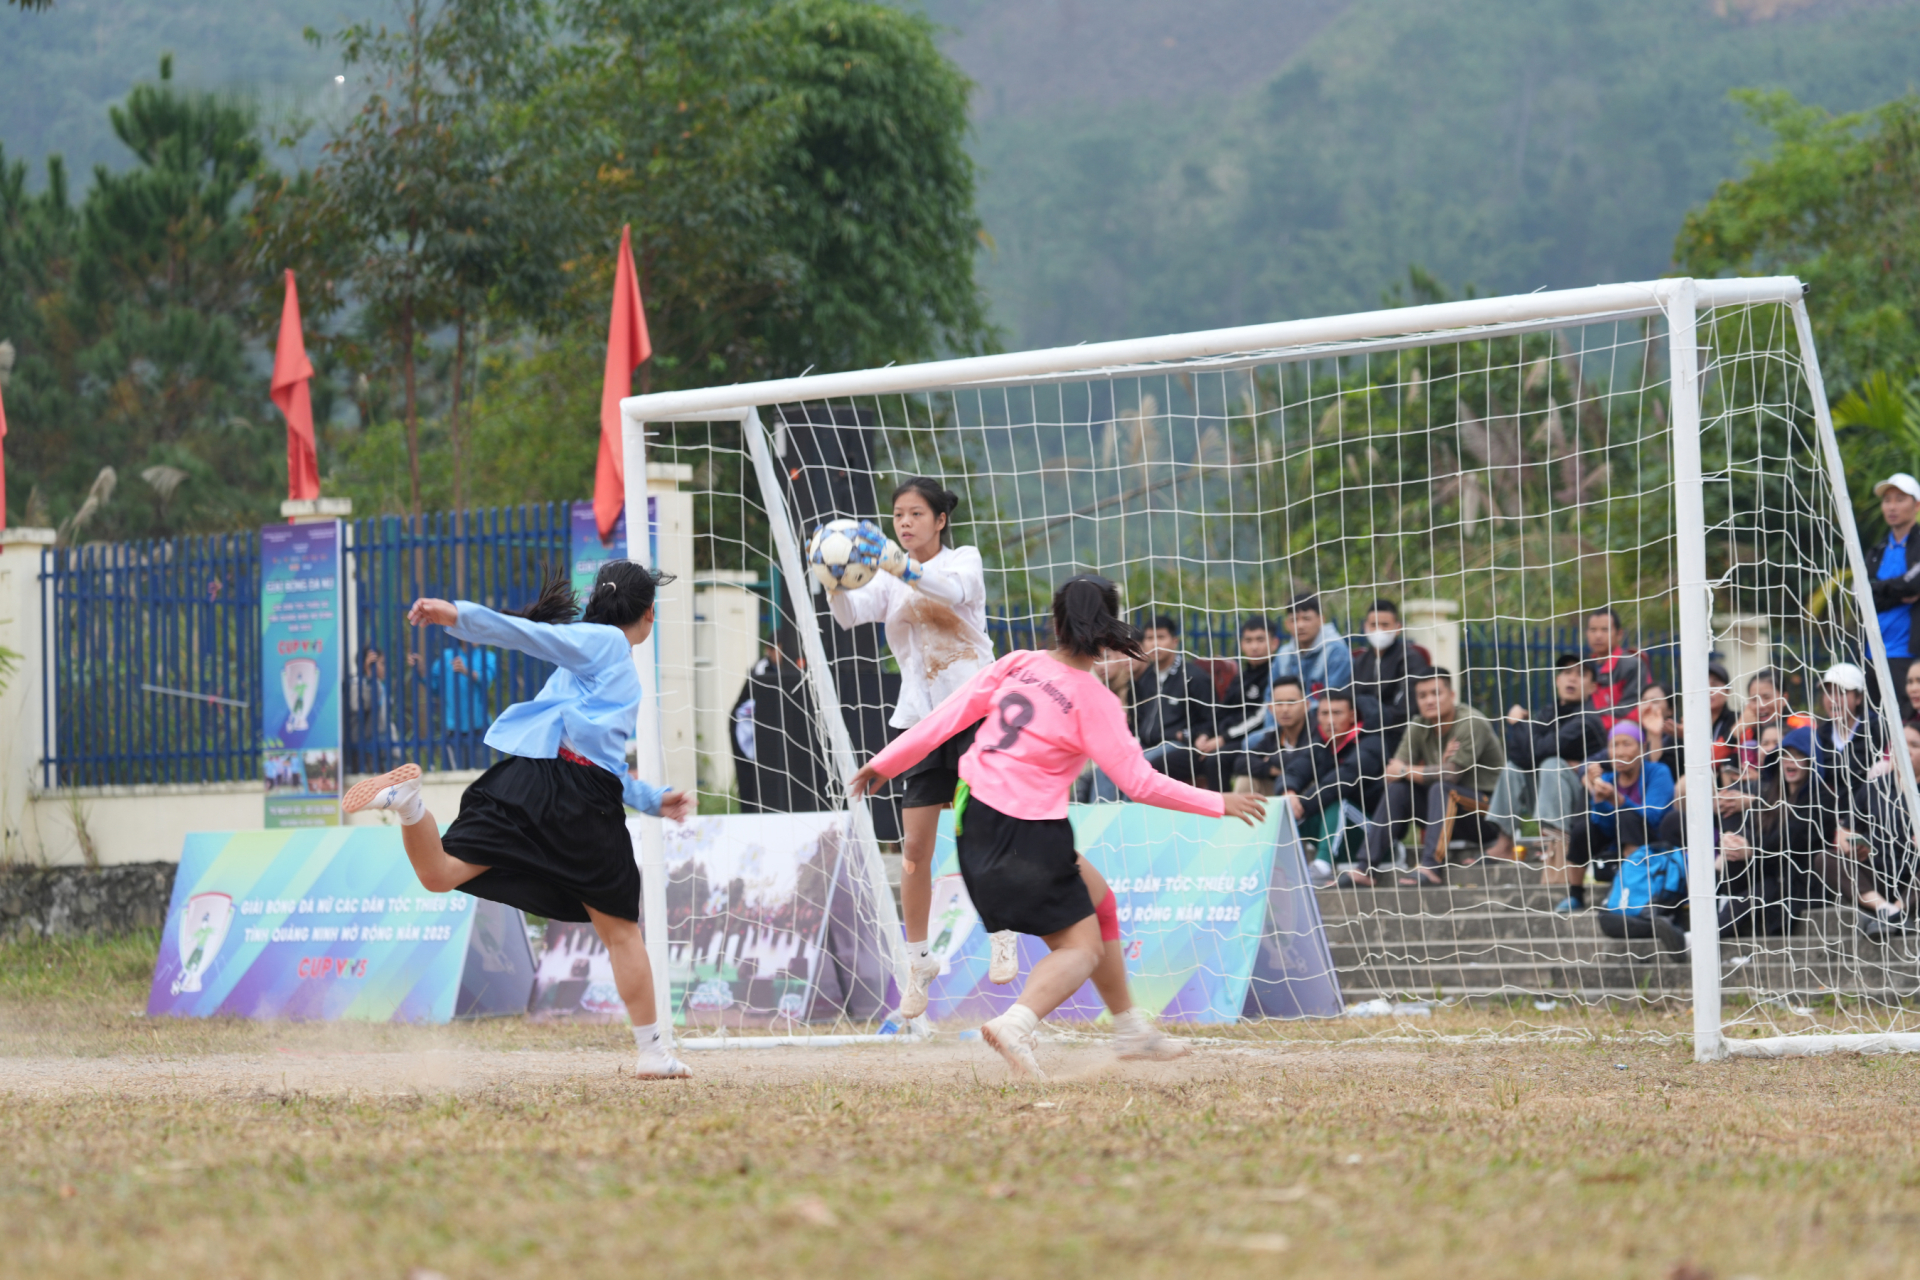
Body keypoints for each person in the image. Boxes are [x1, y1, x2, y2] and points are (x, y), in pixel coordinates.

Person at [850, 575, 1267, 1078]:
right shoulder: (1094, 701)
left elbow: (947, 717)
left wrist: (886, 762)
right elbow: (1140, 783)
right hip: (1029, 833)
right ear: (1108, 629)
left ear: (1055, 622)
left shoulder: (1017, 663)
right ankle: (1015, 1024)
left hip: (974, 819)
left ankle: (1131, 1027)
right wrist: (1218, 801)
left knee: (1101, 899)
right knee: (1080, 949)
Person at [343, 562, 696, 1079]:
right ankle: (652, 1053)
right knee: (622, 932)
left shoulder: (584, 661)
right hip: (578, 800)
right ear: (648, 614)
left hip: (528, 781)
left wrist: (650, 798)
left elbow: (603, 758)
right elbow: (525, 634)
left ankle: (408, 802)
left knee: (438, 874)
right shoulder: (609, 646)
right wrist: (455, 615)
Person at [823, 477, 1004, 1016]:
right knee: (914, 853)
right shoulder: (888, 579)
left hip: (975, 715)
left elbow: (948, 594)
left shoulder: (963, 561)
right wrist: (832, 578)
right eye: (898, 515)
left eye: (916, 513)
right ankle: (919, 960)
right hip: (921, 725)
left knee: (983, 835)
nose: (904, 522)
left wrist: (896, 563)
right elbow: (849, 615)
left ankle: (1003, 931)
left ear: (939, 519)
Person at [1343, 670, 1509, 887]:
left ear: (1452, 694)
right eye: (1422, 696)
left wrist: (1409, 770)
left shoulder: (1470, 722)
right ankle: (1365, 868)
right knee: (1399, 791)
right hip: (1446, 811)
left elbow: (1450, 774)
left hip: (1488, 815)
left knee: (1442, 788)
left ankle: (1431, 867)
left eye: (1435, 693)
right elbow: (1390, 776)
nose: (1429, 700)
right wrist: (1430, 768)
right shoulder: (1418, 726)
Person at [1549, 722, 1673, 914]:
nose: (1620, 752)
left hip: (1650, 840)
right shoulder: (1607, 779)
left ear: (1643, 748)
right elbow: (1603, 825)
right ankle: (1575, 894)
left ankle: (1629, 888)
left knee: (1626, 816)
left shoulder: (1658, 772)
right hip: (1616, 841)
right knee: (1583, 829)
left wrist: (1619, 800)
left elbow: (1653, 817)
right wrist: (1599, 800)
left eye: (1627, 744)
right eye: (1614, 745)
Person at [1494, 654, 1605, 862]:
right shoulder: (1549, 713)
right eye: (1566, 672)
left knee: (1551, 764)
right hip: (1549, 797)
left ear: (1592, 687)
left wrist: (1518, 724)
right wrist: (1528, 738)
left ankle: (1557, 843)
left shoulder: (1588, 719)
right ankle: (1504, 843)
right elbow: (1520, 755)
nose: (1572, 678)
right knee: (1512, 768)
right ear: (1557, 680)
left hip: (1584, 807)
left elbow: (1537, 751)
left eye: (1581, 674)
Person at [730, 624, 830, 815]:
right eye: (780, 651)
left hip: (774, 732)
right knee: (751, 777)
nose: (784, 656)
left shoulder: (795, 669)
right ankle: (750, 812)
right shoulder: (761, 670)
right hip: (747, 731)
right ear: (769, 650)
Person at [1301, 688, 1383, 881]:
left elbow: (1345, 779)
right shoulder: (1320, 745)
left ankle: (1322, 865)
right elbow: (1297, 769)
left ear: (1353, 716)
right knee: (1289, 809)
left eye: (1337, 713)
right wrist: (1288, 791)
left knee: (1338, 803)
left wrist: (1304, 804)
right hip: (1339, 838)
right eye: (1324, 713)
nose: (1330, 720)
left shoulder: (1371, 743)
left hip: (1375, 836)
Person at [1130, 615, 1220, 787]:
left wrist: (1186, 734)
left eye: (1161, 637)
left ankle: (1127, 813)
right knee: (1106, 770)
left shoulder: (1194, 677)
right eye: (1149, 638)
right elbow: (1138, 719)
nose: (1155, 644)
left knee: (1137, 768)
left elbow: (1213, 721)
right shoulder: (1145, 678)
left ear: (1175, 641)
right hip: (1146, 745)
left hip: (1180, 746)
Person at [1348, 598, 1432, 754]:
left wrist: (1370, 714)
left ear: (1397, 627)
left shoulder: (1410, 659)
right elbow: (1350, 699)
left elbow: (1408, 707)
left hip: (1397, 734)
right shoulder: (1360, 662)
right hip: (1360, 731)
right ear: (1365, 627)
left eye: (1385, 625)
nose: (1379, 630)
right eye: (1373, 625)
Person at [1194, 616, 1278, 762]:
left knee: (1215, 760)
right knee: (1186, 756)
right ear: (1242, 644)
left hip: (1251, 737)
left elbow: (1261, 716)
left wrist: (1223, 738)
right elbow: (1222, 710)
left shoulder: (1275, 673)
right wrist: (1205, 734)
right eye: (1248, 640)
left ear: (1274, 643)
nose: (1254, 647)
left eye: (1260, 640)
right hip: (1225, 735)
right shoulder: (1241, 676)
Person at [1867, 472, 1920, 700]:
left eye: (1900, 499)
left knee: (1908, 728)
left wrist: (1879, 590)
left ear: (1917, 505)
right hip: (1872, 655)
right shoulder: (1876, 551)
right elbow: (1860, 596)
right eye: (1887, 500)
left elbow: (1914, 583)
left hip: (1909, 656)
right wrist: (1899, 593)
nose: (1892, 506)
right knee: (1877, 729)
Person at [1813, 662, 1888, 819]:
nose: (1833, 699)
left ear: (1859, 697)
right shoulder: (1819, 735)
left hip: (1872, 818)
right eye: (1828, 692)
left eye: (1841, 692)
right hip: (1829, 820)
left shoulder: (1878, 730)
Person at [410, 637, 498, 770]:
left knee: (482, 775)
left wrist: (465, 671)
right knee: (458, 774)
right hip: (454, 730)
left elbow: (487, 679)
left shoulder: (488, 657)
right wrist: (420, 669)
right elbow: (433, 686)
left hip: (480, 728)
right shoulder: (447, 657)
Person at [1269, 593, 1353, 702]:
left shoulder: (1336, 653)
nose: (1300, 625)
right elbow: (1270, 698)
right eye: (1294, 620)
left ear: (1321, 620)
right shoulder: (1283, 654)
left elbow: (1333, 702)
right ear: (1287, 624)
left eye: (1306, 619)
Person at [1583, 607, 1645, 729]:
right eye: (1593, 630)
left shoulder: (1633, 665)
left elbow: (1630, 709)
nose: (1598, 635)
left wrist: (1590, 719)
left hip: (1621, 735)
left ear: (1619, 634)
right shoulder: (1583, 666)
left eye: (1605, 630)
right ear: (1587, 634)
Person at [347, 645, 396, 772]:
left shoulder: (380, 685)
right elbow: (360, 705)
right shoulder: (356, 684)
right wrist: (370, 677)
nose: (385, 668)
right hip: (365, 749)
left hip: (381, 746)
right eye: (382, 664)